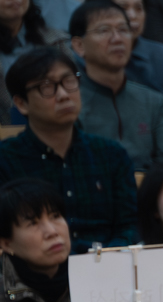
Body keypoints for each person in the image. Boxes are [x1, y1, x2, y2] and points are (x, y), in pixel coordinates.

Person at [0, 47, 136, 250]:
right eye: (47, 87)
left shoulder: (112, 154)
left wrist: (107, 257)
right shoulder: (5, 159)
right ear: (21, 104)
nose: (63, 95)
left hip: (107, 262)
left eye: (69, 81)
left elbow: (129, 225)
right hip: (37, 265)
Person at [67, 0, 163, 171]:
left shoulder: (153, 101)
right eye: (104, 30)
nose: (117, 39)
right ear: (79, 45)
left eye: (123, 30)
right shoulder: (69, 103)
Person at [0, 179, 79, 302]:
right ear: (6, 244)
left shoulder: (94, 280)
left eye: (55, 216)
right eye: (33, 223)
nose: (52, 231)